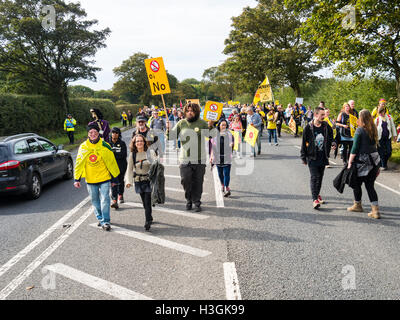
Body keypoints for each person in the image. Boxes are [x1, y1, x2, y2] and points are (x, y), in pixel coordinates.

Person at [74, 124, 120, 231]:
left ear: (98, 133)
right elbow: (79, 163)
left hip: (104, 178)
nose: (93, 134)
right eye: (90, 132)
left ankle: (106, 221)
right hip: (90, 180)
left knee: (105, 200)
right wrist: (77, 179)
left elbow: (112, 163)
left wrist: (114, 179)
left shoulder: (105, 145)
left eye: (95, 132)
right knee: (95, 200)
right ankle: (100, 218)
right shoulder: (83, 147)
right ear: (88, 134)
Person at [166, 103, 211, 212]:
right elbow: (171, 137)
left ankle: (196, 202)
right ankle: (188, 199)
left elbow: (211, 135)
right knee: (185, 180)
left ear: (196, 112)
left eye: (192, 111)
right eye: (187, 111)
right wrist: (168, 129)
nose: (189, 112)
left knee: (198, 182)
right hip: (185, 158)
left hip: (199, 158)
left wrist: (211, 126)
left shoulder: (202, 123)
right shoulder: (181, 123)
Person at [347, 110, 381, 219]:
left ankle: (357, 205)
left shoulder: (359, 130)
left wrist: (349, 162)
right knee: (370, 186)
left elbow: (355, 148)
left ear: (362, 118)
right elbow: (375, 146)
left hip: (362, 162)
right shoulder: (373, 129)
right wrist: (378, 166)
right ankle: (375, 211)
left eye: (359, 117)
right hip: (374, 161)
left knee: (356, 184)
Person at [301, 107, 334, 209]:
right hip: (312, 157)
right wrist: (303, 157)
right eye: (322, 115)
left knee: (320, 178)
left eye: (324, 114)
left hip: (323, 156)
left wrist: (333, 143)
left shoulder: (325, 126)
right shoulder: (308, 128)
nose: (324, 117)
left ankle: (317, 195)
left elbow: (331, 137)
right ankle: (314, 199)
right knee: (314, 177)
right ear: (315, 115)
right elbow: (303, 143)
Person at [125, 134, 158, 231]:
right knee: (144, 202)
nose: (139, 143)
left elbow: (156, 165)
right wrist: (128, 181)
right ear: (134, 144)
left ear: (144, 142)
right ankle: (150, 216)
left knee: (148, 201)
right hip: (138, 181)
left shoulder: (150, 152)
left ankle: (147, 221)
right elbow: (129, 169)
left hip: (148, 180)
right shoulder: (132, 155)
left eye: (141, 141)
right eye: (137, 141)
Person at [211, 119, 234, 197]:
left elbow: (232, 141)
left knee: (226, 173)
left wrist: (232, 143)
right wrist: (211, 156)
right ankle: (222, 184)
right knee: (220, 173)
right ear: (219, 126)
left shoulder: (229, 134)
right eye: (222, 125)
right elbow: (212, 146)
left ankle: (226, 187)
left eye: (225, 125)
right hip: (217, 157)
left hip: (227, 156)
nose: (224, 126)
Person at [109, 127, 127, 209]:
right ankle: (114, 200)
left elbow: (123, 155)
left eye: (116, 133)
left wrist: (113, 154)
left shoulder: (122, 143)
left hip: (121, 166)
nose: (114, 134)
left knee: (120, 181)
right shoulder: (108, 143)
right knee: (113, 183)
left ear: (119, 134)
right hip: (112, 167)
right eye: (113, 132)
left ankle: (121, 194)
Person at [375, 106, 397, 170]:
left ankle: (384, 163)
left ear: (384, 111)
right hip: (379, 138)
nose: (380, 114)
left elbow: (392, 126)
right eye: (379, 113)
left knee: (389, 151)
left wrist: (395, 135)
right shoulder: (377, 119)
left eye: (381, 112)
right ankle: (383, 165)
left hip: (388, 137)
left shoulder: (389, 118)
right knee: (381, 151)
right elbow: (374, 129)